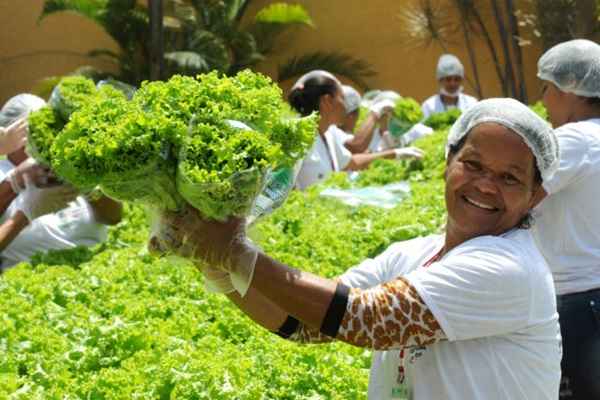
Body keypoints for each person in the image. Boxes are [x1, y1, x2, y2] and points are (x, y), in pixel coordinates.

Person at [152, 98, 562, 399]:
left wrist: (238, 254)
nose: (486, 185)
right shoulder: (415, 253)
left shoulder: (510, 268)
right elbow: (307, 324)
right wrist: (218, 269)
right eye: (472, 165)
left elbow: (367, 318)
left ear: (535, 196)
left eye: (510, 178)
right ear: (447, 163)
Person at [531, 39, 600, 399]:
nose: (543, 100)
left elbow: (518, 199)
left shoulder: (574, 139)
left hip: (575, 303)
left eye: (546, 88)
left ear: (568, 89)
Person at [0, 94, 123, 270]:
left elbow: (114, 218)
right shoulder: (3, 171)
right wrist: (16, 187)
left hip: (98, 270)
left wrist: (88, 187)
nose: (43, 139)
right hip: (35, 278)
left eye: (50, 129)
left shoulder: (63, 162)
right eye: (33, 132)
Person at [288, 71, 423, 190]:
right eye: (341, 98)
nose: (345, 106)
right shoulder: (296, 136)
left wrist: (396, 153)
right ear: (327, 101)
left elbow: (352, 162)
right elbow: (285, 191)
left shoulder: (329, 134)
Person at [421, 54, 478, 119]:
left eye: (456, 79)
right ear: (440, 80)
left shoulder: (471, 103)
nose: (452, 83)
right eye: (448, 79)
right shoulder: (429, 106)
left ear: (462, 80)